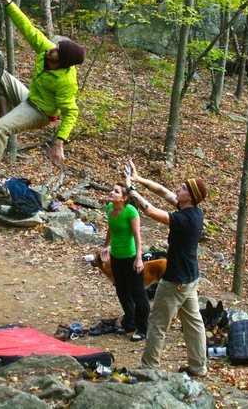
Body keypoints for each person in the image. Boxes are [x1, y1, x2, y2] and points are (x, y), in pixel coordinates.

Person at [0, 0, 85, 193]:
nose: (52, 49)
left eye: (57, 51)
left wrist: (59, 142)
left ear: (63, 62)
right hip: (29, 97)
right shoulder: (47, 51)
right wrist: (7, 2)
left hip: (40, 113)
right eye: (56, 47)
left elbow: (71, 112)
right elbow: (28, 29)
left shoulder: (66, 81)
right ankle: (6, 117)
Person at [124, 159, 209, 377]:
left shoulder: (184, 219)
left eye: (182, 188)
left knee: (157, 323)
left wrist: (130, 189)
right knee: (193, 323)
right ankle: (199, 367)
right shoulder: (194, 211)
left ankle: (149, 368)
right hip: (190, 278)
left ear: (189, 196)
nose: (177, 190)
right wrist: (137, 177)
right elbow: (162, 191)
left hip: (176, 281)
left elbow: (150, 211)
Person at [100, 183, 149, 342]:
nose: (111, 192)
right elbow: (110, 228)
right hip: (116, 257)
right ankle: (130, 322)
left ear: (124, 198)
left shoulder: (131, 211)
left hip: (131, 257)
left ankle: (143, 329)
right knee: (121, 291)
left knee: (138, 294)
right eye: (112, 190)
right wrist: (106, 246)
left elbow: (137, 236)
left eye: (116, 191)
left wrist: (139, 258)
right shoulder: (109, 208)